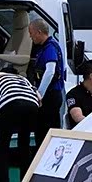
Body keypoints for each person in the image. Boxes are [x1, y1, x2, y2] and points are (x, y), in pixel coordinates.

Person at [27, 17, 66, 148]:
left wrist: (39, 94)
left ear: (39, 32)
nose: (30, 36)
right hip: (50, 94)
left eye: (31, 33)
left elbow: (50, 71)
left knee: (45, 130)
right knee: (43, 129)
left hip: (50, 95)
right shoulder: (44, 47)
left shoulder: (50, 48)